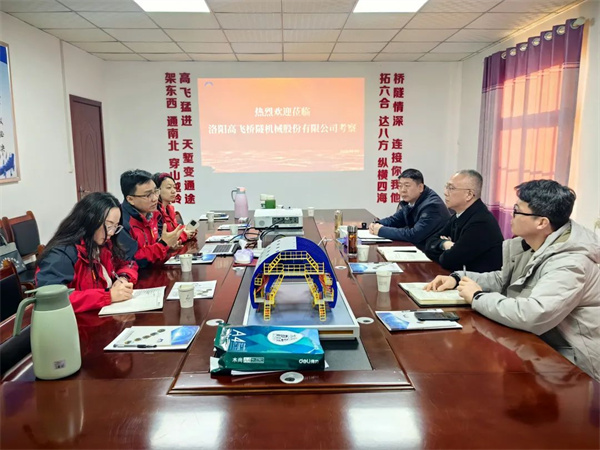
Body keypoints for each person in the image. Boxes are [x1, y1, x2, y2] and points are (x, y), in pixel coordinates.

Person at [426, 180, 600, 380]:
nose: (511, 215)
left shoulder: (569, 263)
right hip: (535, 347)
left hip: (571, 365)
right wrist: (459, 279)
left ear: (541, 223)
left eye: (517, 211)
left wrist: (477, 297)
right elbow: (503, 280)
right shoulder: (531, 245)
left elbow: (534, 315)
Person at [36, 192, 139, 313]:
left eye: (116, 227)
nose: (111, 233)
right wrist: (108, 296)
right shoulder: (61, 254)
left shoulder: (103, 244)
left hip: (101, 313)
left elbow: (128, 263)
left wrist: (123, 278)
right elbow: (53, 300)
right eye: (108, 225)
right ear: (90, 221)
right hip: (74, 321)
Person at [424, 170, 504, 272]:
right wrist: (445, 244)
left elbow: (449, 260)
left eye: (451, 188)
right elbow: (429, 243)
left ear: (469, 194)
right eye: (446, 187)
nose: (445, 193)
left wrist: (443, 248)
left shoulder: (481, 222)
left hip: (477, 281)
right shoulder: (459, 214)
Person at [117, 169, 183, 268]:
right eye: (148, 195)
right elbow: (132, 261)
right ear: (130, 199)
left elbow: (153, 246)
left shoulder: (153, 214)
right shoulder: (121, 223)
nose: (155, 198)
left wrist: (167, 247)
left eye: (156, 191)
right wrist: (163, 244)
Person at [368, 168, 449, 248]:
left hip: (433, 251)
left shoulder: (431, 206)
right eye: (400, 186)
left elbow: (414, 235)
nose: (403, 190)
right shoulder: (412, 200)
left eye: (407, 186)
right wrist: (377, 224)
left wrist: (381, 230)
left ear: (420, 187)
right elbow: (396, 220)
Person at [152, 172, 197, 243]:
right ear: (157, 190)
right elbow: (162, 240)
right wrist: (184, 235)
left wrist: (186, 230)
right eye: (169, 188)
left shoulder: (169, 209)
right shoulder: (155, 212)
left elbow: (174, 229)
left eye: (174, 187)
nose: (173, 191)